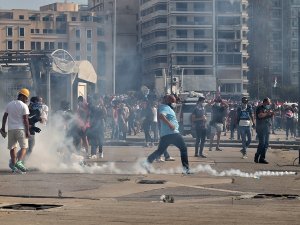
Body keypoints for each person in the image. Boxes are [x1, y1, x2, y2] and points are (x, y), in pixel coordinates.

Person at [142, 95, 190, 173]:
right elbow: (161, 116)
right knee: (183, 149)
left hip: (166, 134)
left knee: (160, 151)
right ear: (169, 102)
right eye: (173, 102)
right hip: (172, 133)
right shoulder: (165, 107)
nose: (175, 103)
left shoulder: (166, 107)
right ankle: (186, 170)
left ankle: (146, 163)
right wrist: (170, 124)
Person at [0, 88, 30, 173]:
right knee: (24, 147)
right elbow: (25, 120)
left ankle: (14, 166)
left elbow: (5, 116)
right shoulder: (24, 106)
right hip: (21, 129)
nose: (27, 100)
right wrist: (27, 131)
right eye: (26, 98)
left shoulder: (9, 104)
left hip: (11, 129)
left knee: (13, 148)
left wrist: (3, 128)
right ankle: (19, 162)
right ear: (23, 96)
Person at [255, 97, 274, 164]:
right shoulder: (260, 108)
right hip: (261, 128)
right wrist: (267, 113)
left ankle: (262, 158)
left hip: (267, 128)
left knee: (266, 144)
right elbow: (260, 116)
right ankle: (257, 156)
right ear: (265, 102)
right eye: (269, 102)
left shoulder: (268, 108)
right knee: (262, 143)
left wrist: (271, 114)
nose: (269, 103)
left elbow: (270, 117)